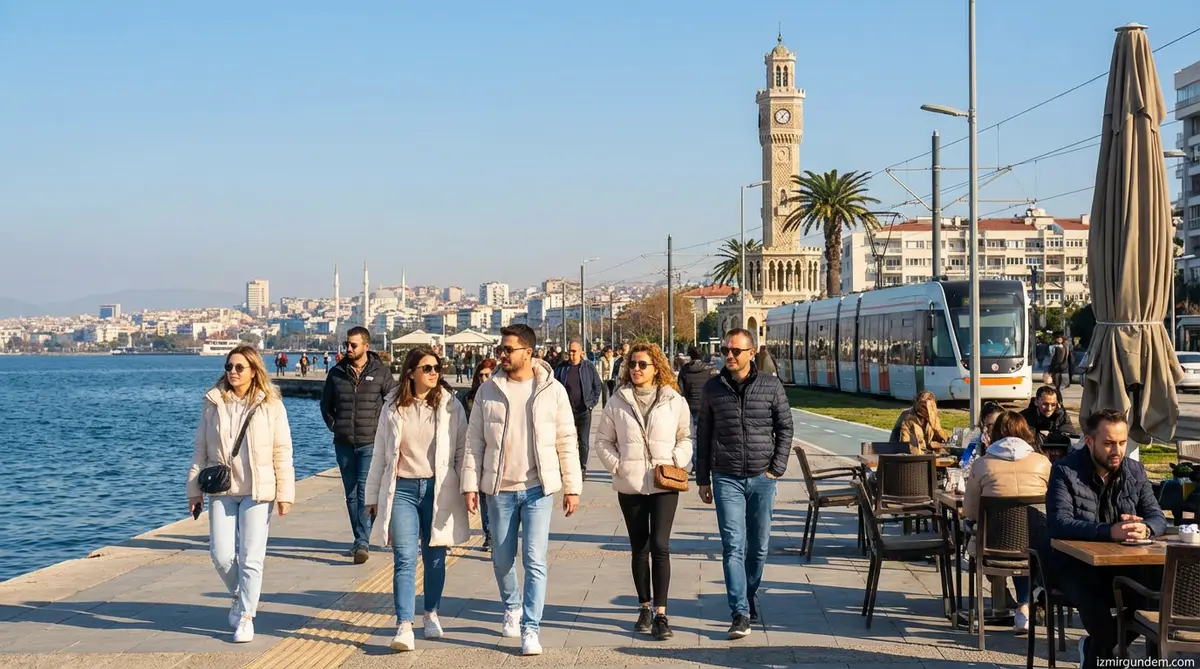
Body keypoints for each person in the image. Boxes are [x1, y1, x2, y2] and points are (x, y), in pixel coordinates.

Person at [461, 324, 583, 656]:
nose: (501, 354)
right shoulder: (489, 389)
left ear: (527, 352)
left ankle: (531, 628)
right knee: (501, 560)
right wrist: (470, 484)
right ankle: (511, 605)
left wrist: (572, 487)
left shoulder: (551, 389)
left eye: (507, 349)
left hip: (537, 489)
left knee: (535, 559)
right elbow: (474, 442)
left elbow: (566, 441)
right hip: (498, 489)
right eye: (500, 349)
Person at [364, 347, 470, 652]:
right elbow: (380, 457)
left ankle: (431, 613)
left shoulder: (451, 406)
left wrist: (468, 488)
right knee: (405, 558)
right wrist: (372, 496)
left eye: (437, 367)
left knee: (435, 557)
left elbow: (462, 451)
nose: (434, 372)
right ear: (411, 372)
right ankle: (404, 625)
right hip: (402, 491)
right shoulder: (392, 407)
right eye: (427, 368)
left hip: (439, 488)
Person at [186, 345, 294, 644]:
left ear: (254, 370)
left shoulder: (270, 404)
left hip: (258, 490)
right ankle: (239, 593)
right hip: (221, 488)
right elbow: (200, 450)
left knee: (251, 557)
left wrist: (285, 492)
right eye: (229, 367)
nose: (232, 372)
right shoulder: (214, 402)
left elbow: (282, 450)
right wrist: (193, 489)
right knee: (220, 555)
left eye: (239, 367)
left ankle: (246, 616)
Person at [1045, 409, 1167, 668]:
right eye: (1109, 443)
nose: (1117, 450)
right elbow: (1059, 523)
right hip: (1075, 564)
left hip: (1125, 564)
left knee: (1157, 592)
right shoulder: (1065, 471)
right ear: (1089, 441)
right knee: (1094, 599)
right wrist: (1108, 531)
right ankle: (1102, 650)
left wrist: (1145, 528)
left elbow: (1158, 517)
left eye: (1122, 443)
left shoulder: (1134, 471)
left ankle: (1098, 649)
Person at [696, 328, 793, 639]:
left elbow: (785, 428)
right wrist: (702, 479)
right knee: (732, 546)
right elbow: (704, 436)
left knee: (759, 547)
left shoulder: (771, 385)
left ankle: (749, 593)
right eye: (726, 349)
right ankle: (739, 611)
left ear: (752, 353)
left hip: (762, 477)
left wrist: (776, 469)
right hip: (726, 477)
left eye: (736, 350)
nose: (729, 355)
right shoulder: (713, 388)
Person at [594, 342, 692, 641]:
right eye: (632, 364)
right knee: (640, 547)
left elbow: (685, 436)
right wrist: (619, 466)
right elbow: (602, 441)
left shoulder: (673, 400)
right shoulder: (617, 401)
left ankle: (662, 613)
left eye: (642, 365)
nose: (635, 369)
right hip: (631, 484)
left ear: (656, 368)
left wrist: (675, 461)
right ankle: (644, 607)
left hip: (664, 483)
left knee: (660, 545)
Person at [963, 410, 1050, 635]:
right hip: (1036, 547)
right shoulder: (1042, 463)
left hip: (992, 548)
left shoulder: (982, 464)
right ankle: (1026, 603)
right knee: (1024, 545)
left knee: (977, 535)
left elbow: (971, 512)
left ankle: (1008, 601)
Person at [320, 326, 398, 564]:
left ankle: (362, 542)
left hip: (370, 442)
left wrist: (384, 433)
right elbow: (326, 406)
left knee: (364, 492)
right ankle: (360, 538)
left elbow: (393, 404)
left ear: (366, 346)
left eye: (354, 345)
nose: (349, 349)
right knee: (351, 494)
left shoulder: (381, 373)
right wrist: (335, 426)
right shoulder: (336, 373)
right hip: (343, 442)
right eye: (347, 344)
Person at [460, 358, 498, 551]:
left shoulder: (500, 395)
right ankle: (489, 534)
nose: (484, 379)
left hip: (495, 451)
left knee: (496, 495)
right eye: (481, 375)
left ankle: (500, 534)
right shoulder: (469, 397)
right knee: (483, 495)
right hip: (475, 451)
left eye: (487, 375)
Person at [553, 341, 602, 481]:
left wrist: (592, 404)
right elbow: (554, 386)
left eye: (574, 351)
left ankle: (582, 468)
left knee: (583, 441)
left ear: (581, 352)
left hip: (584, 410)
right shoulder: (562, 368)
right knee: (564, 440)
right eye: (570, 351)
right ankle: (565, 468)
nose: (572, 354)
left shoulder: (588, 367)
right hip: (566, 411)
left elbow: (597, 385)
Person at [678, 346, 717, 470]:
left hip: (689, 405)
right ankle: (706, 464)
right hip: (706, 406)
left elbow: (680, 388)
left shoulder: (685, 370)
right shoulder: (709, 370)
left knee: (692, 437)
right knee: (706, 435)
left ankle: (695, 466)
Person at [1019, 385, 1077, 454]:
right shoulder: (1024, 417)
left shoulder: (1061, 415)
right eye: (1045, 404)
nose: (1049, 409)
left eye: (1053, 405)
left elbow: (1071, 436)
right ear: (1036, 402)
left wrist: (1049, 437)